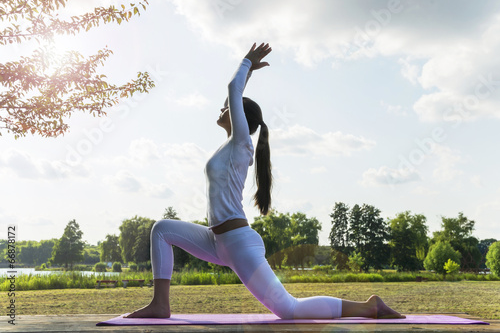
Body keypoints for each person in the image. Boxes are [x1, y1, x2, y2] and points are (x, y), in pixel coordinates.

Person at [126, 43, 405, 320]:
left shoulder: (241, 143)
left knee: (289, 309)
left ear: (239, 118)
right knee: (161, 230)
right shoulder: (230, 148)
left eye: (227, 109)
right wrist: (248, 75)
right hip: (216, 240)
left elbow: (233, 90)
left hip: (236, 242)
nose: (222, 110)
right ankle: (160, 304)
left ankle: (369, 306)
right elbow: (236, 96)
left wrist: (247, 62)